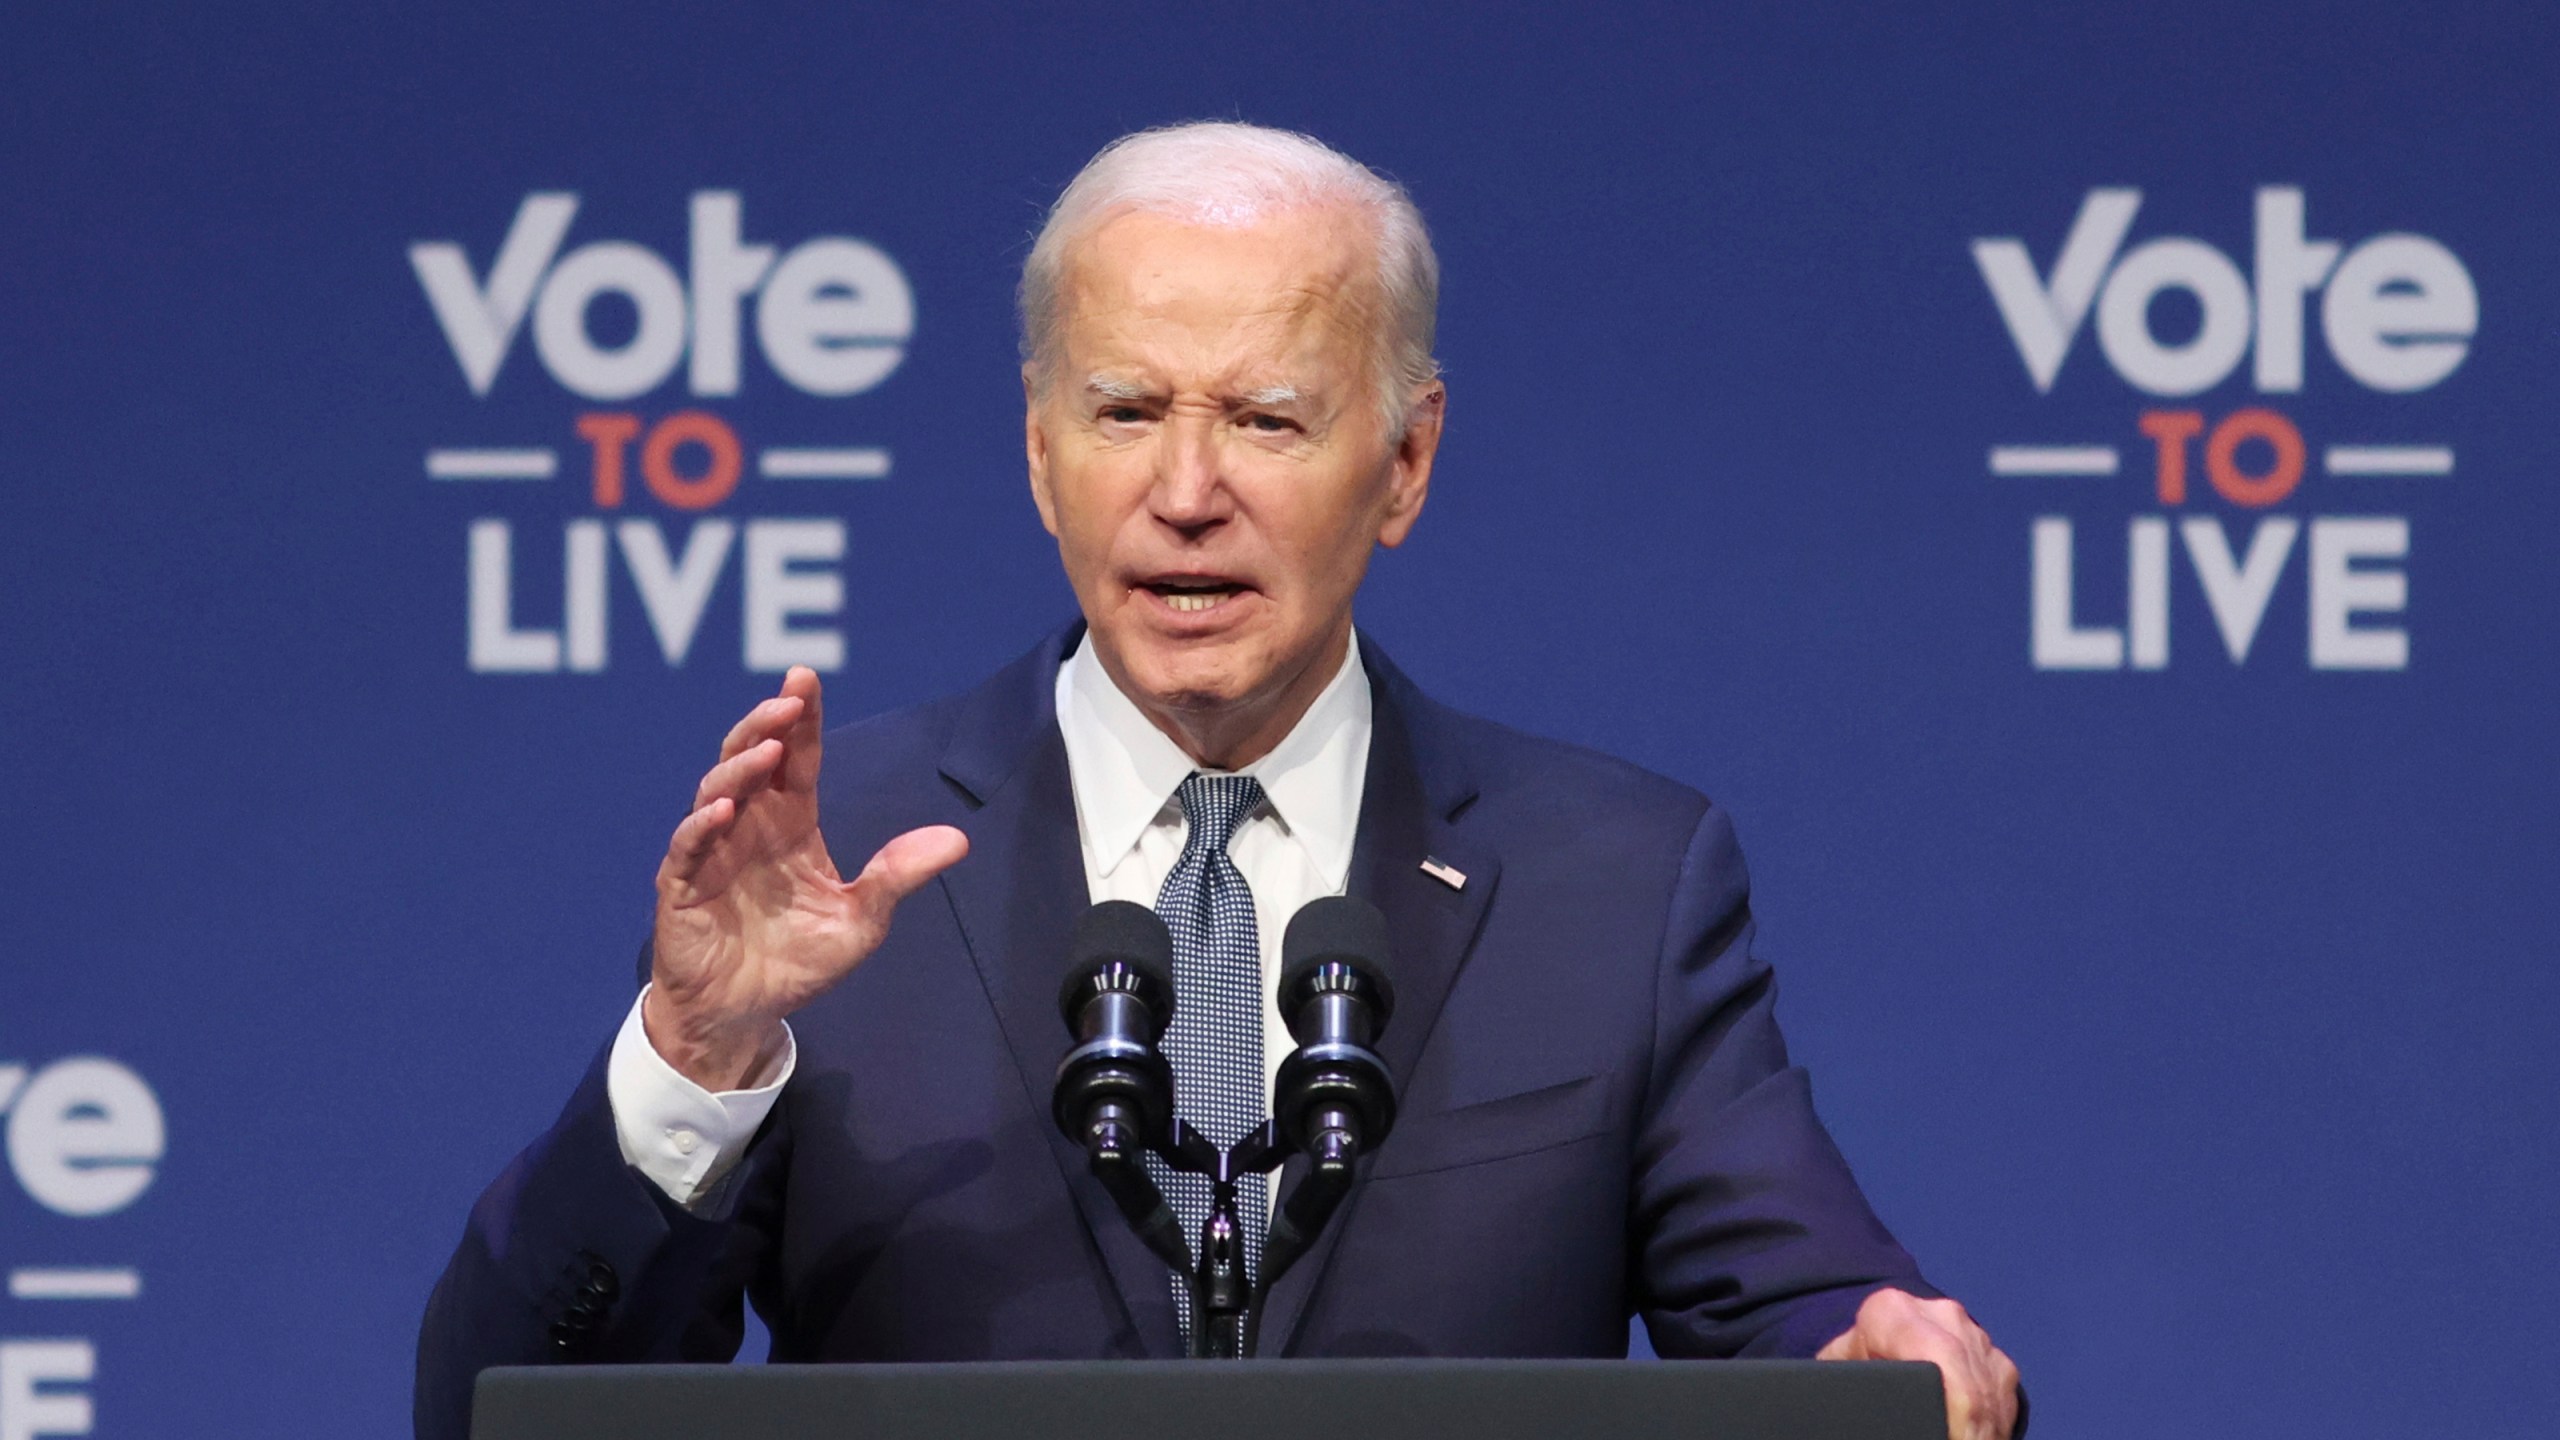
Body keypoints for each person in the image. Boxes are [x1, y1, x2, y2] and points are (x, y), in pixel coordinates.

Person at [415, 121, 2021, 1440]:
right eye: (1126, 413)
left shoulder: (1613, 878)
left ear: (1405, 462)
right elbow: (509, 1409)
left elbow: (1816, 1317)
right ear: (1042, 453)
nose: (1187, 492)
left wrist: (1878, 1362)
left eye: (1266, 418)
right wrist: (693, 1058)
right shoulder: (830, 863)